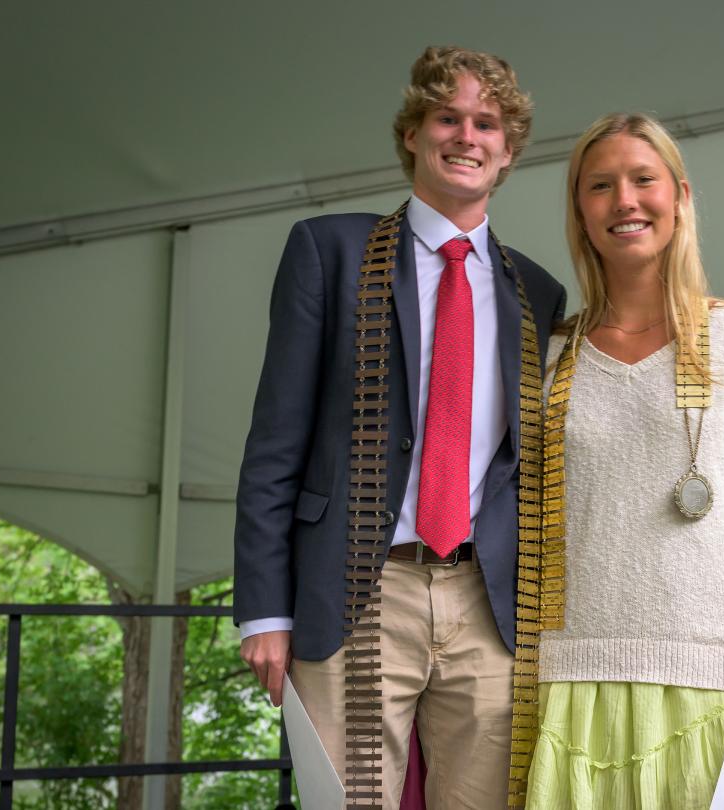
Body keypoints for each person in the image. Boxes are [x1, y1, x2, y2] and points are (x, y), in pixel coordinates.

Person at [233, 46, 566, 808]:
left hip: (487, 602)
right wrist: (264, 608)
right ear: (413, 132)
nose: (466, 136)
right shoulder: (331, 252)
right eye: (447, 116)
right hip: (358, 587)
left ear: (508, 150)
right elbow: (275, 440)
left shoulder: (536, 291)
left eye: (486, 123)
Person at [523, 113, 724, 809]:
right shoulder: (549, 354)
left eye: (643, 179)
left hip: (717, 687)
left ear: (680, 197)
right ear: (580, 213)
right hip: (570, 684)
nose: (624, 200)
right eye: (600, 186)